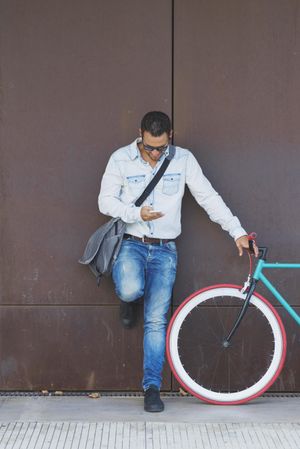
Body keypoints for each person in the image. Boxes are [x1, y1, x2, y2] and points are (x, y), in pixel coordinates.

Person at [98, 111, 258, 413]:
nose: (155, 153)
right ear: (140, 136)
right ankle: (128, 298)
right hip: (131, 244)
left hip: (165, 251)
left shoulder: (183, 160)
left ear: (170, 136)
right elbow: (104, 201)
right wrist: (136, 214)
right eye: (149, 147)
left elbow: (208, 198)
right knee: (131, 290)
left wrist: (237, 232)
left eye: (160, 147)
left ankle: (152, 387)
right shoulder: (120, 158)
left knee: (156, 321)